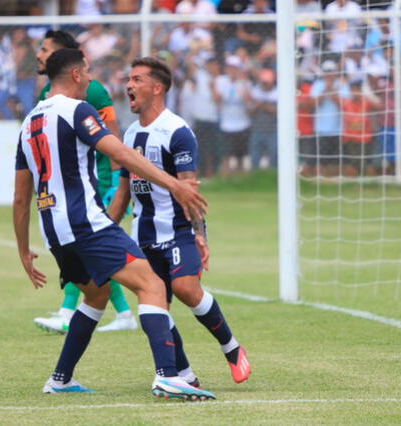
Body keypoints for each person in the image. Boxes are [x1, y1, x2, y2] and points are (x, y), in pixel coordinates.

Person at [13, 48, 215, 400]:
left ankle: (60, 378)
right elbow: (120, 153)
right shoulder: (77, 110)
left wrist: (22, 249)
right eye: (88, 72)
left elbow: (20, 196)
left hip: (54, 230)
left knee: (96, 294)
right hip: (86, 223)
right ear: (76, 74)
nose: (91, 79)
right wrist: (175, 185)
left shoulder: (29, 122)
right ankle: (168, 376)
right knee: (151, 284)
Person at [107, 57, 252, 385]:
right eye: (129, 79)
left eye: (137, 80)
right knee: (155, 308)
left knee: (186, 287)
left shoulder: (177, 131)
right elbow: (122, 192)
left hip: (178, 230)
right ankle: (184, 375)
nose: (129, 85)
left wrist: (201, 235)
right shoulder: (129, 134)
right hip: (142, 234)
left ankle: (232, 349)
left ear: (157, 88)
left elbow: (190, 190)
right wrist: (103, 232)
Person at [31, 30, 137, 333]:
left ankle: (69, 312)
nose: (39, 54)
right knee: (83, 248)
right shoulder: (46, 96)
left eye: (45, 49)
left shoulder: (92, 91)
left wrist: (118, 183)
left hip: (98, 181)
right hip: (68, 186)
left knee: (83, 246)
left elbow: (113, 138)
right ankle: (123, 315)